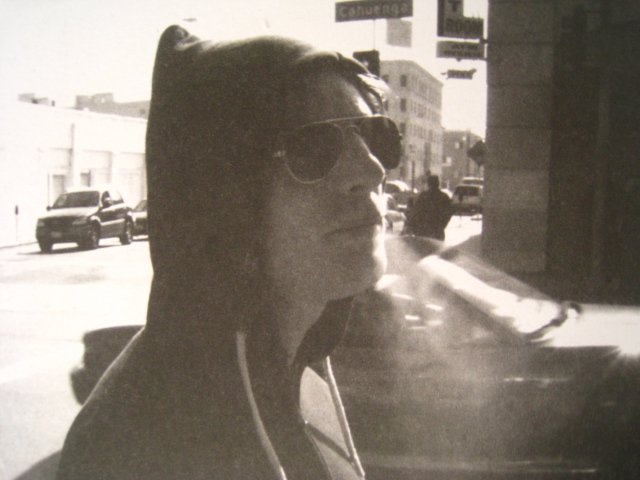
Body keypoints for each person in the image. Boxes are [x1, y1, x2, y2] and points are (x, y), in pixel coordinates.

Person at [55, 25, 401, 480]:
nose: (372, 169)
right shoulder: (136, 440)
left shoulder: (305, 382)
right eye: (315, 146)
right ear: (228, 199)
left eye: (374, 135)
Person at [404, 174, 453, 241]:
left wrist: (414, 226)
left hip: (424, 230)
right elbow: (448, 213)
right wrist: (442, 225)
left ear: (428, 184)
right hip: (437, 230)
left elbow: (416, 212)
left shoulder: (424, 196)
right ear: (438, 183)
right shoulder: (444, 197)